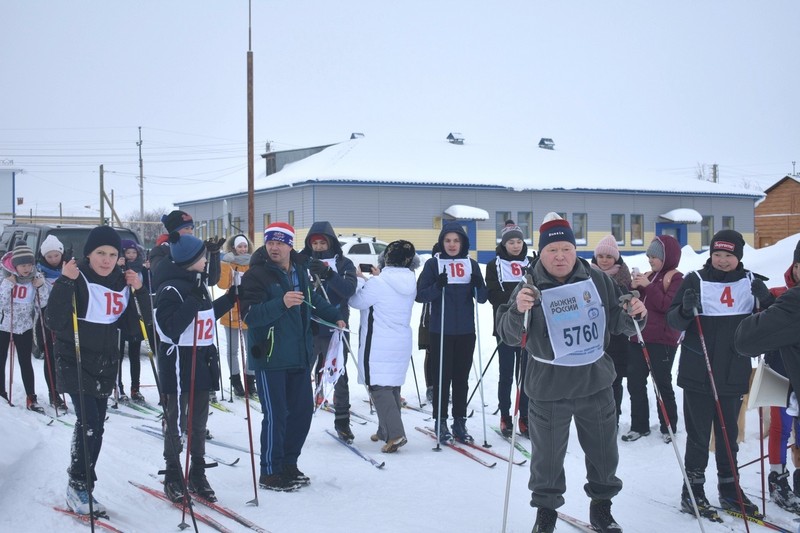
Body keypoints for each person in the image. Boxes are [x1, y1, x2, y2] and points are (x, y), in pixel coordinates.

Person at [496, 212, 647, 533]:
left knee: (604, 454)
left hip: (595, 382)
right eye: (552, 250)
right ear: (542, 252)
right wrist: (518, 311)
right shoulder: (529, 285)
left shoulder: (598, 280)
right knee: (547, 459)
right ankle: (546, 512)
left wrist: (635, 312)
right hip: (549, 386)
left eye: (566, 248)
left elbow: (621, 324)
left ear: (575, 249)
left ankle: (602, 508)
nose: (560, 256)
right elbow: (509, 334)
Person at [47, 225, 151, 515]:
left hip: (106, 364)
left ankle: (83, 482)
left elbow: (134, 328)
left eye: (112, 254)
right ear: (88, 254)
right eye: (100, 253)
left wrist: (139, 291)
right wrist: (64, 282)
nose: (106, 260)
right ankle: (78, 484)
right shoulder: (75, 276)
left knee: (98, 426)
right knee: (89, 423)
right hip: (75, 359)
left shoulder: (121, 281)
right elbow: (53, 321)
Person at [667, 229, 770, 520]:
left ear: (739, 256)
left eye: (729, 255)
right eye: (717, 254)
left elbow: (770, 325)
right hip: (698, 369)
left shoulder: (750, 283)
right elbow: (673, 321)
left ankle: (729, 488)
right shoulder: (695, 280)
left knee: (729, 435)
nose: (722, 260)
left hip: (733, 369)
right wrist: (686, 310)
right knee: (699, 435)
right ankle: (693, 490)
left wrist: (766, 302)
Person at [239, 222, 344, 492]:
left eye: (280, 242)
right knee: (276, 416)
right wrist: (281, 302)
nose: (274, 247)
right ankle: (270, 471)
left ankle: (288, 463)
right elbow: (249, 315)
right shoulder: (257, 274)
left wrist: (336, 316)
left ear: (290, 244)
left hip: (298, 354)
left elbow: (312, 301)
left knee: (300, 414)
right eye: (270, 242)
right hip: (270, 356)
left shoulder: (299, 269)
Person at [154, 232, 235, 504]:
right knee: (176, 422)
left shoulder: (197, 283)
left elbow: (206, 316)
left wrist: (232, 298)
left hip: (201, 361)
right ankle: (174, 475)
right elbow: (171, 327)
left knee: (198, 423)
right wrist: (190, 301)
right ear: (191, 260)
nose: (206, 261)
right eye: (203, 257)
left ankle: (197, 473)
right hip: (178, 365)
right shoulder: (170, 288)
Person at [734, 239, 800, 513]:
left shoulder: (790, 299)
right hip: (780, 371)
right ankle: (777, 475)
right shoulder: (784, 292)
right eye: (797, 265)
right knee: (780, 427)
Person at [416, 221, 488, 444]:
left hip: (466, 331)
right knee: (442, 378)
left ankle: (459, 420)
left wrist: (478, 284)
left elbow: (483, 298)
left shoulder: (471, 264)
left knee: (461, 379)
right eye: (447, 240)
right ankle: (441, 420)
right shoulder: (433, 264)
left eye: (456, 240)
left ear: (463, 242)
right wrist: (438, 286)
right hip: (441, 330)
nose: (452, 244)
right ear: (441, 242)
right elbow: (420, 295)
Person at [349, 240, 419, 453]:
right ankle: (384, 430)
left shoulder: (378, 283)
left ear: (385, 258)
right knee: (392, 387)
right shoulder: (410, 281)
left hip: (378, 342)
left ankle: (395, 434)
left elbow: (356, 302)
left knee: (378, 387)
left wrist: (360, 281)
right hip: (400, 340)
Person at [299, 221, 358, 441]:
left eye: (323, 242)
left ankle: (342, 421)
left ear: (330, 242)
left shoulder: (344, 263)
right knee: (302, 373)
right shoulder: (302, 261)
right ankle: (300, 415)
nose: (319, 246)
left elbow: (348, 290)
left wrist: (329, 274)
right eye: (315, 242)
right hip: (309, 326)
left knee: (339, 375)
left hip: (336, 327)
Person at [624, 235, 683, 443]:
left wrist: (648, 286)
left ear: (668, 257)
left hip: (662, 340)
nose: (650, 260)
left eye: (655, 257)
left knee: (662, 383)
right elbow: (639, 300)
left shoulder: (675, 278)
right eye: (649, 256)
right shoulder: (650, 275)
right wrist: (633, 289)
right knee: (635, 383)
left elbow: (667, 305)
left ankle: (669, 426)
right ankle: (639, 425)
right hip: (638, 337)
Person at [486, 220, 534, 437]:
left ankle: (524, 416)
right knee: (506, 373)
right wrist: (518, 301)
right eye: (511, 242)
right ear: (504, 244)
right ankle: (505, 415)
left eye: (518, 241)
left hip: (528, 327)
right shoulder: (493, 265)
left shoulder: (532, 262)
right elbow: (494, 295)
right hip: (505, 327)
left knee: (524, 375)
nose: (515, 245)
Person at [0, 242, 51, 412]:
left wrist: (41, 286)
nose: (27, 269)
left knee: (25, 362)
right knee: (1, 361)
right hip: (4, 326)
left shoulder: (36, 278)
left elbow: (42, 303)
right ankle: (1, 393)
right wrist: (8, 285)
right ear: (15, 265)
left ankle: (31, 397)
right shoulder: (5, 277)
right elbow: (2, 303)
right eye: (23, 265)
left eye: (29, 264)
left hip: (25, 327)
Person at [589, 234, 631, 434]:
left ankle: (613, 418)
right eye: (601, 256)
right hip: (593, 337)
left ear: (616, 258)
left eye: (609, 256)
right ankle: (594, 418)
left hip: (616, 339)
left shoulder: (623, 279)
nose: (604, 260)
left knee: (614, 381)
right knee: (593, 381)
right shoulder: (586, 276)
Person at [217, 233, 255, 398]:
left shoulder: (253, 263)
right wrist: (225, 264)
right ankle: (236, 380)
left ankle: (250, 380)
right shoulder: (228, 263)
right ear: (233, 247)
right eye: (240, 246)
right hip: (231, 309)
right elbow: (222, 284)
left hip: (248, 309)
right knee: (233, 350)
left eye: (245, 246)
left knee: (251, 349)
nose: (243, 249)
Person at [36, 234, 68, 412]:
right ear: (44, 257)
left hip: (67, 318)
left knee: (66, 356)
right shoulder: (39, 272)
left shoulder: (68, 268)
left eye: (56, 255)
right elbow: (40, 301)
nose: (54, 259)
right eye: (50, 256)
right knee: (51, 356)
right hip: (48, 318)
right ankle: (53, 394)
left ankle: (70, 391)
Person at [115, 239, 149, 403]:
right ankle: (118, 387)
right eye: (128, 253)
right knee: (119, 354)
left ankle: (135, 387)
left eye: (134, 253)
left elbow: (148, 289)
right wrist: (118, 267)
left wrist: (149, 272)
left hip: (136, 315)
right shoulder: (119, 268)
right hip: (121, 315)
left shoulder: (141, 269)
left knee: (135, 355)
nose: (131, 256)